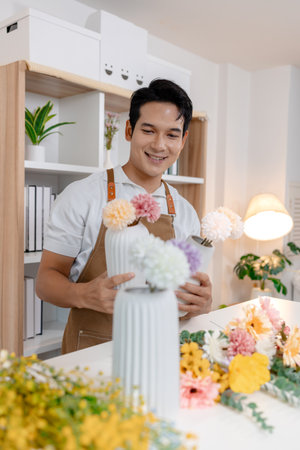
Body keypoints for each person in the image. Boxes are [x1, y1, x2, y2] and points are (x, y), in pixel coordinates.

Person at [36, 79, 212, 354]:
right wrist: (84, 294)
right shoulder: (82, 195)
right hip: (90, 352)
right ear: (129, 130)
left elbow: (186, 298)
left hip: (159, 351)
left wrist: (200, 303)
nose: (159, 145)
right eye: (149, 130)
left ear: (183, 140)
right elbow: (45, 282)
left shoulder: (185, 211)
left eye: (171, 135)